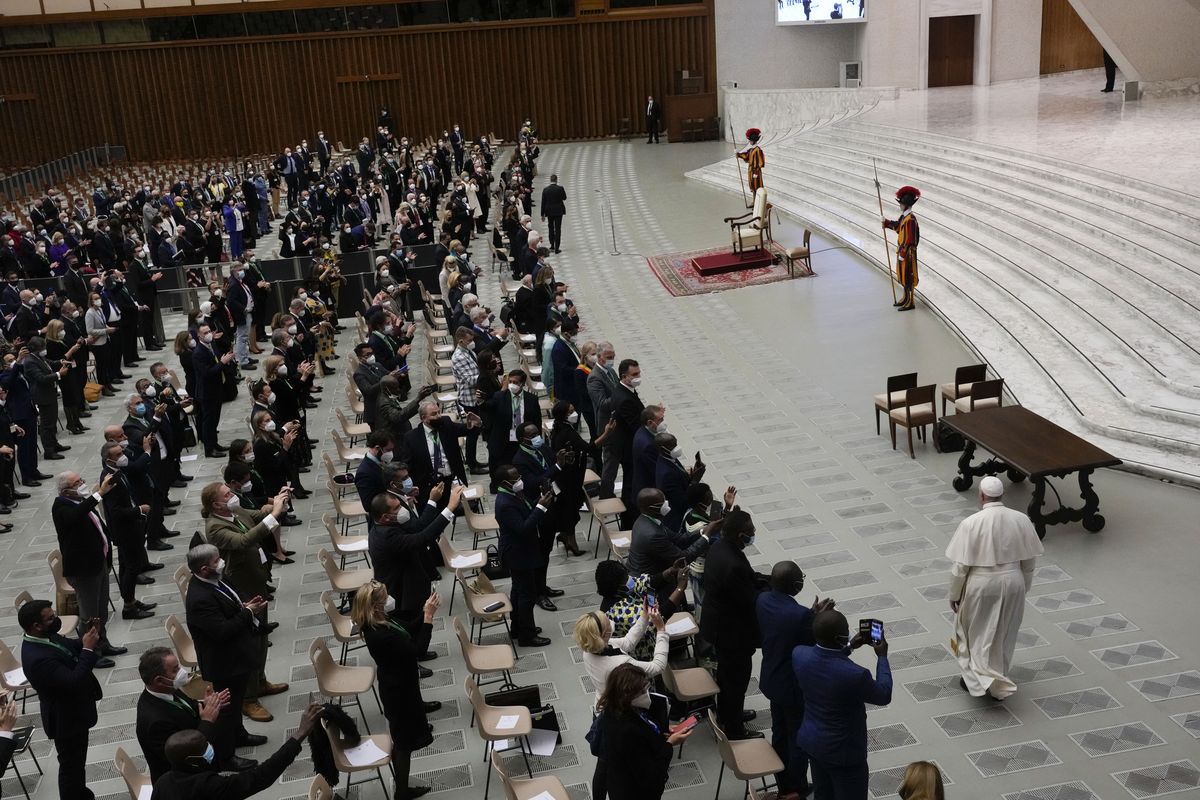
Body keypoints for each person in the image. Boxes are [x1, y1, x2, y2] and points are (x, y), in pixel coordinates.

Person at [946, 475, 1043, 700]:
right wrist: (1023, 588)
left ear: (981, 496)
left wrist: (954, 593)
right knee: (1005, 632)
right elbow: (1029, 562)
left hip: (981, 584)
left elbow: (960, 567)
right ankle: (998, 676)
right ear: (1002, 495)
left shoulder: (971, 523)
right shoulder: (1021, 520)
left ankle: (977, 680)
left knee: (974, 633)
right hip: (1014, 581)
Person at [200, 482, 291, 722]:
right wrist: (274, 515)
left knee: (261, 636)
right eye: (227, 494)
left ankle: (260, 681)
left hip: (255, 580)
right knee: (249, 641)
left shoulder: (235, 511)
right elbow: (243, 540)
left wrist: (279, 501)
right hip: (241, 587)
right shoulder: (215, 527)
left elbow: (260, 514)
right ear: (216, 504)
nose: (232, 496)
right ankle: (249, 698)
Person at [184, 543, 271, 770]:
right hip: (223, 662)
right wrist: (248, 612)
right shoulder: (199, 598)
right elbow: (222, 631)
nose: (221, 562)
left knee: (236, 701)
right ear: (204, 569)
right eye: (216, 560)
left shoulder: (217, 579)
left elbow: (232, 601)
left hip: (237, 654)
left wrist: (244, 606)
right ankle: (226, 756)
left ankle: (239, 735)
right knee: (226, 711)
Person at [352, 582, 441, 799]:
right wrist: (428, 618)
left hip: (402, 684)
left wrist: (423, 611)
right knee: (403, 744)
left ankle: (402, 788)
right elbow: (417, 650)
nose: (389, 599)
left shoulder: (382, 620)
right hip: (399, 693)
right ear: (375, 606)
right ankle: (401, 793)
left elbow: (409, 628)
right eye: (385, 598)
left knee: (403, 740)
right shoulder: (380, 635)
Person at [793, 610, 892, 800]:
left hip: (813, 743)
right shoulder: (855, 674)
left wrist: (848, 647)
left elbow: (825, 661)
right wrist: (882, 657)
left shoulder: (799, 655)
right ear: (840, 637)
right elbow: (883, 694)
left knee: (823, 795)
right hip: (844, 754)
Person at [756, 562, 835, 798]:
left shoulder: (763, 600)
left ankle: (783, 781)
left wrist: (811, 615)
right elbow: (814, 641)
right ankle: (796, 787)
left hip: (771, 677)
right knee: (798, 739)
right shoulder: (798, 615)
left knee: (779, 732)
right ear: (795, 585)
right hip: (791, 686)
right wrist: (817, 619)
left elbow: (788, 628)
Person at [18, 599, 104, 800]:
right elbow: (73, 680)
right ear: (36, 626)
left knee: (76, 765)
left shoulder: (45, 636)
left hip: (74, 711)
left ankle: (81, 794)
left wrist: (88, 637)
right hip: (66, 719)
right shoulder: (37, 658)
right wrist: (88, 650)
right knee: (71, 767)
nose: (56, 620)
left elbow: (69, 647)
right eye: (51, 619)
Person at [151, 703, 323, 800]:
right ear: (193, 760)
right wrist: (299, 734)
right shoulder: (210, 786)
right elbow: (261, 776)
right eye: (206, 748)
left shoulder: (162, 783)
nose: (211, 749)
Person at [700, 508, 765, 740]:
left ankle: (728, 715)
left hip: (717, 623)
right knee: (736, 680)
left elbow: (746, 579)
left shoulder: (720, 547)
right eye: (750, 530)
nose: (754, 532)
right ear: (740, 535)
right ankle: (735, 730)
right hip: (732, 633)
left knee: (727, 676)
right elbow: (749, 600)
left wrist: (765, 580)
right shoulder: (732, 564)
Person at [136, 646, 244, 783]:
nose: (182, 672)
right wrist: (207, 720)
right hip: (183, 782)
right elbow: (188, 754)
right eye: (175, 670)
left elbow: (188, 706)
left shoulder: (167, 689)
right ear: (158, 680)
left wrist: (206, 704)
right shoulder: (155, 721)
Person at [52, 470, 123, 665]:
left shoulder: (80, 501)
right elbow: (77, 515)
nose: (82, 484)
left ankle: (103, 643)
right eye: (77, 483)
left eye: (81, 479)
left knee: (101, 610)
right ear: (66, 490)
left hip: (98, 562)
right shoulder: (62, 507)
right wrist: (99, 493)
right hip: (83, 570)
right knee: (89, 615)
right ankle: (90, 653)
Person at [596, 663, 693, 800]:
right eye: (642, 691)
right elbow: (650, 776)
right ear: (627, 695)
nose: (646, 694)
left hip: (620, 782)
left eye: (646, 687)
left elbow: (643, 728)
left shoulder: (614, 709)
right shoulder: (628, 731)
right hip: (635, 792)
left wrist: (658, 732)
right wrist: (670, 744)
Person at [368, 485, 460, 625]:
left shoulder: (385, 526)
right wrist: (450, 507)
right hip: (402, 595)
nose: (402, 510)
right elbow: (423, 538)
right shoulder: (387, 536)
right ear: (385, 517)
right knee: (414, 627)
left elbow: (418, 528)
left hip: (408, 586)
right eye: (397, 508)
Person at [494, 464, 554, 647]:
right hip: (517, 553)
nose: (520, 480)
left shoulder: (514, 494)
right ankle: (526, 636)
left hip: (521, 550)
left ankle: (518, 627)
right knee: (527, 594)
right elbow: (523, 528)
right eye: (515, 478)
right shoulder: (505, 503)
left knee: (518, 590)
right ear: (505, 482)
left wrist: (540, 500)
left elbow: (527, 511)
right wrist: (541, 508)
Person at [626, 488, 712, 583]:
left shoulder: (646, 519)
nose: (666, 504)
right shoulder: (653, 534)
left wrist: (702, 531)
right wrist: (706, 536)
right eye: (662, 503)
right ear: (651, 508)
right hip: (651, 581)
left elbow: (679, 539)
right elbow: (682, 558)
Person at [882, 185, 920, 312]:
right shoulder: (904, 217)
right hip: (903, 252)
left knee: (908, 277)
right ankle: (905, 297)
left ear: (906, 205)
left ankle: (910, 302)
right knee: (903, 276)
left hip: (907, 253)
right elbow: (898, 227)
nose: (900, 206)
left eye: (901, 204)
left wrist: (903, 253)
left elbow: (910, 240)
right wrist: (886, 222)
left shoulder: (911, 220)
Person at [539, 173, 567, 253]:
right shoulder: (560, 188)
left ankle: (552, 245)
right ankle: (557, 248)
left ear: (550, 180)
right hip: (558, 211)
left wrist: (542, 214)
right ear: (556, 180)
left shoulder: (546, 190)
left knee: (550, 228)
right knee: (558, 229)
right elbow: (564, 198)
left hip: (549, 211)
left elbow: (543, 202)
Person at [737, 127, 766, 196]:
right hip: (751, 171)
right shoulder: (751, 149)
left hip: (756, 172)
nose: (749, 142)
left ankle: (758, 202)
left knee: (757, 187)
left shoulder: (758, 150)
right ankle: (754, 201)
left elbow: (761, 162)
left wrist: (756, 171)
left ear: (753, 140)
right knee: (753, 186)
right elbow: (747, 156)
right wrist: (738, 155)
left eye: (750, 140)